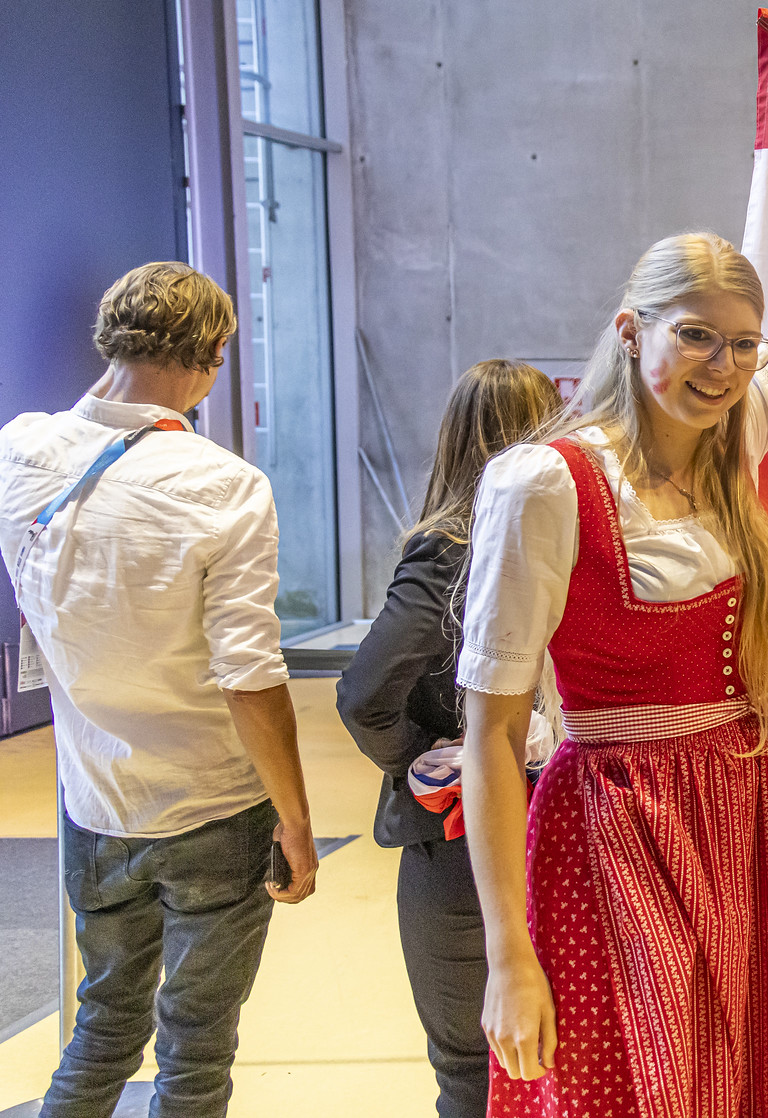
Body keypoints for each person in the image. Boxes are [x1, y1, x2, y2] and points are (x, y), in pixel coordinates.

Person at [459, 6, 768, 1116]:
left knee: (757, 1076)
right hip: (617, 828)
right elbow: (489, 730)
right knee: (633, 1082)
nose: (724, 364)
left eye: (741, 341)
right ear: (631, 330)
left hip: (751, 813)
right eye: (695, 335)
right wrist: (506, 953)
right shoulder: (546, 484)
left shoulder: (735, 441)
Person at [0, 262, 317, 1118]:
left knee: (102, 1030)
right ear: (213, 355)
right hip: (214, 805)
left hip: (93, 801)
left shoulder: (18, 449)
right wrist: (292, 815)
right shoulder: (223, 485)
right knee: (196, 1051)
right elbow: (249, 674)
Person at [336, 360, 562, 1118]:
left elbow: (366, 695)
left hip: (468, 842)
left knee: (474, 1070)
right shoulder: (577, 538)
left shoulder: (454, 547)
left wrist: (418, 759)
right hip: (581, 821)